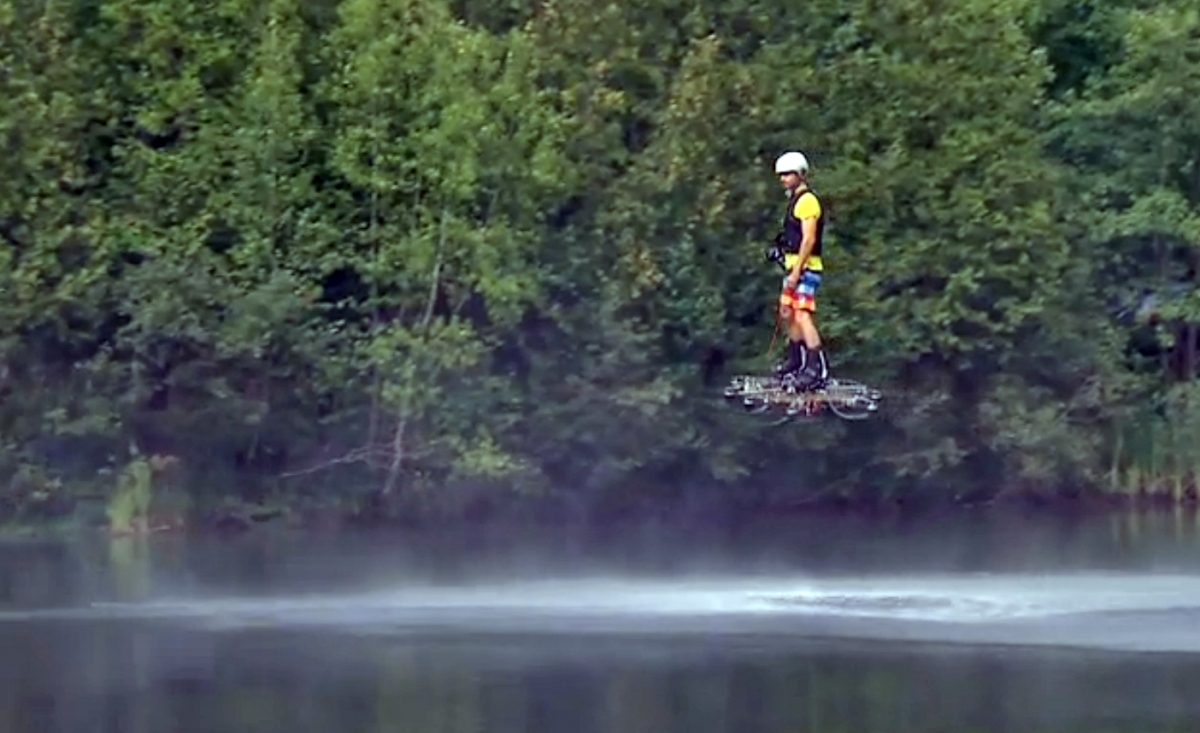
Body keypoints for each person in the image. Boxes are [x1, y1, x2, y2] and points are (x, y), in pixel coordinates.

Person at [770, 150, 829, 390]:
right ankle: (795, 360)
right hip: (793, 265)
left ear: (800, 174)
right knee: (790, 314)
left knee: (803, 314)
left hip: (806, 269)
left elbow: (808, 239)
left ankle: (816, 368)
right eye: (781, 175)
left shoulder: (807, 201)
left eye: (787, 174)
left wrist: (796, 273)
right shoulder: (794, 200)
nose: (783, 178)